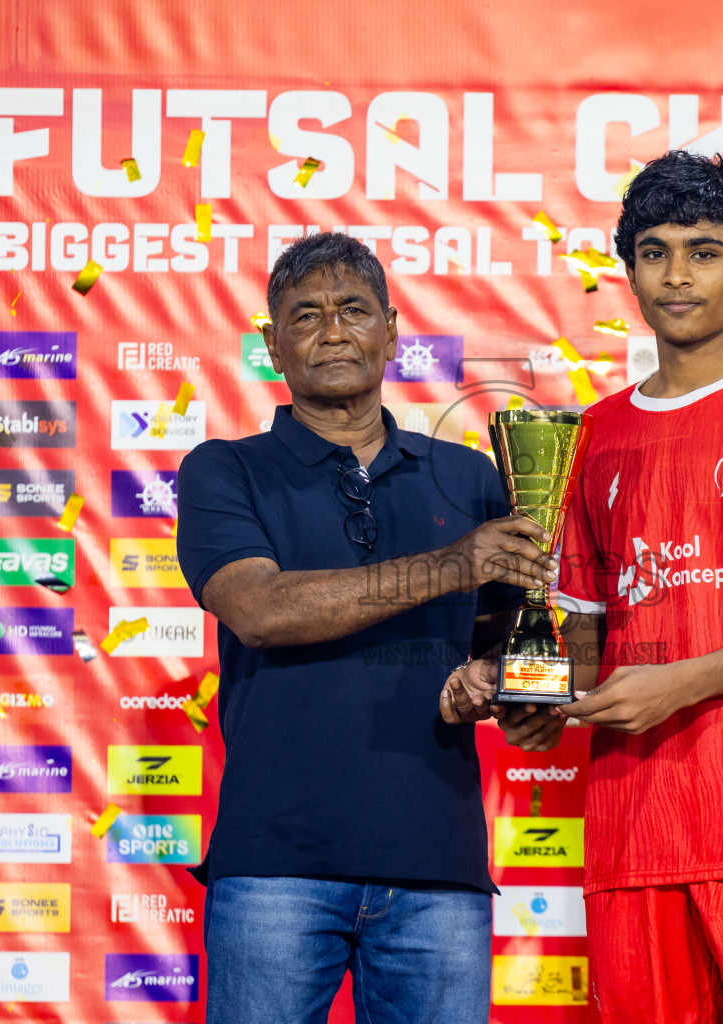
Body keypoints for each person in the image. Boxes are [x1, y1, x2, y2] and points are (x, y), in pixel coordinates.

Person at [469, 150, 723, 1022]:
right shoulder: (595, 436)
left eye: (704, 250)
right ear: (629, 271)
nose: (677, 275)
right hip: (631, 838)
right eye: (653, 251)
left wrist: (679, 683)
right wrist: (540, 698)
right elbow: (579, 633)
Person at [176, 231, 552, 1024]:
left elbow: (511, 643)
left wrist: (504, 686)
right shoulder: (224, 468)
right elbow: (262, 609)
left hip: (436, 866)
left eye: (353, 310)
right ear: (270, 342)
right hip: (274, 865)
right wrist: (454, 564)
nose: (333, 331)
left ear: (390, 326)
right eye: (304, 316)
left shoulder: (472, 475)